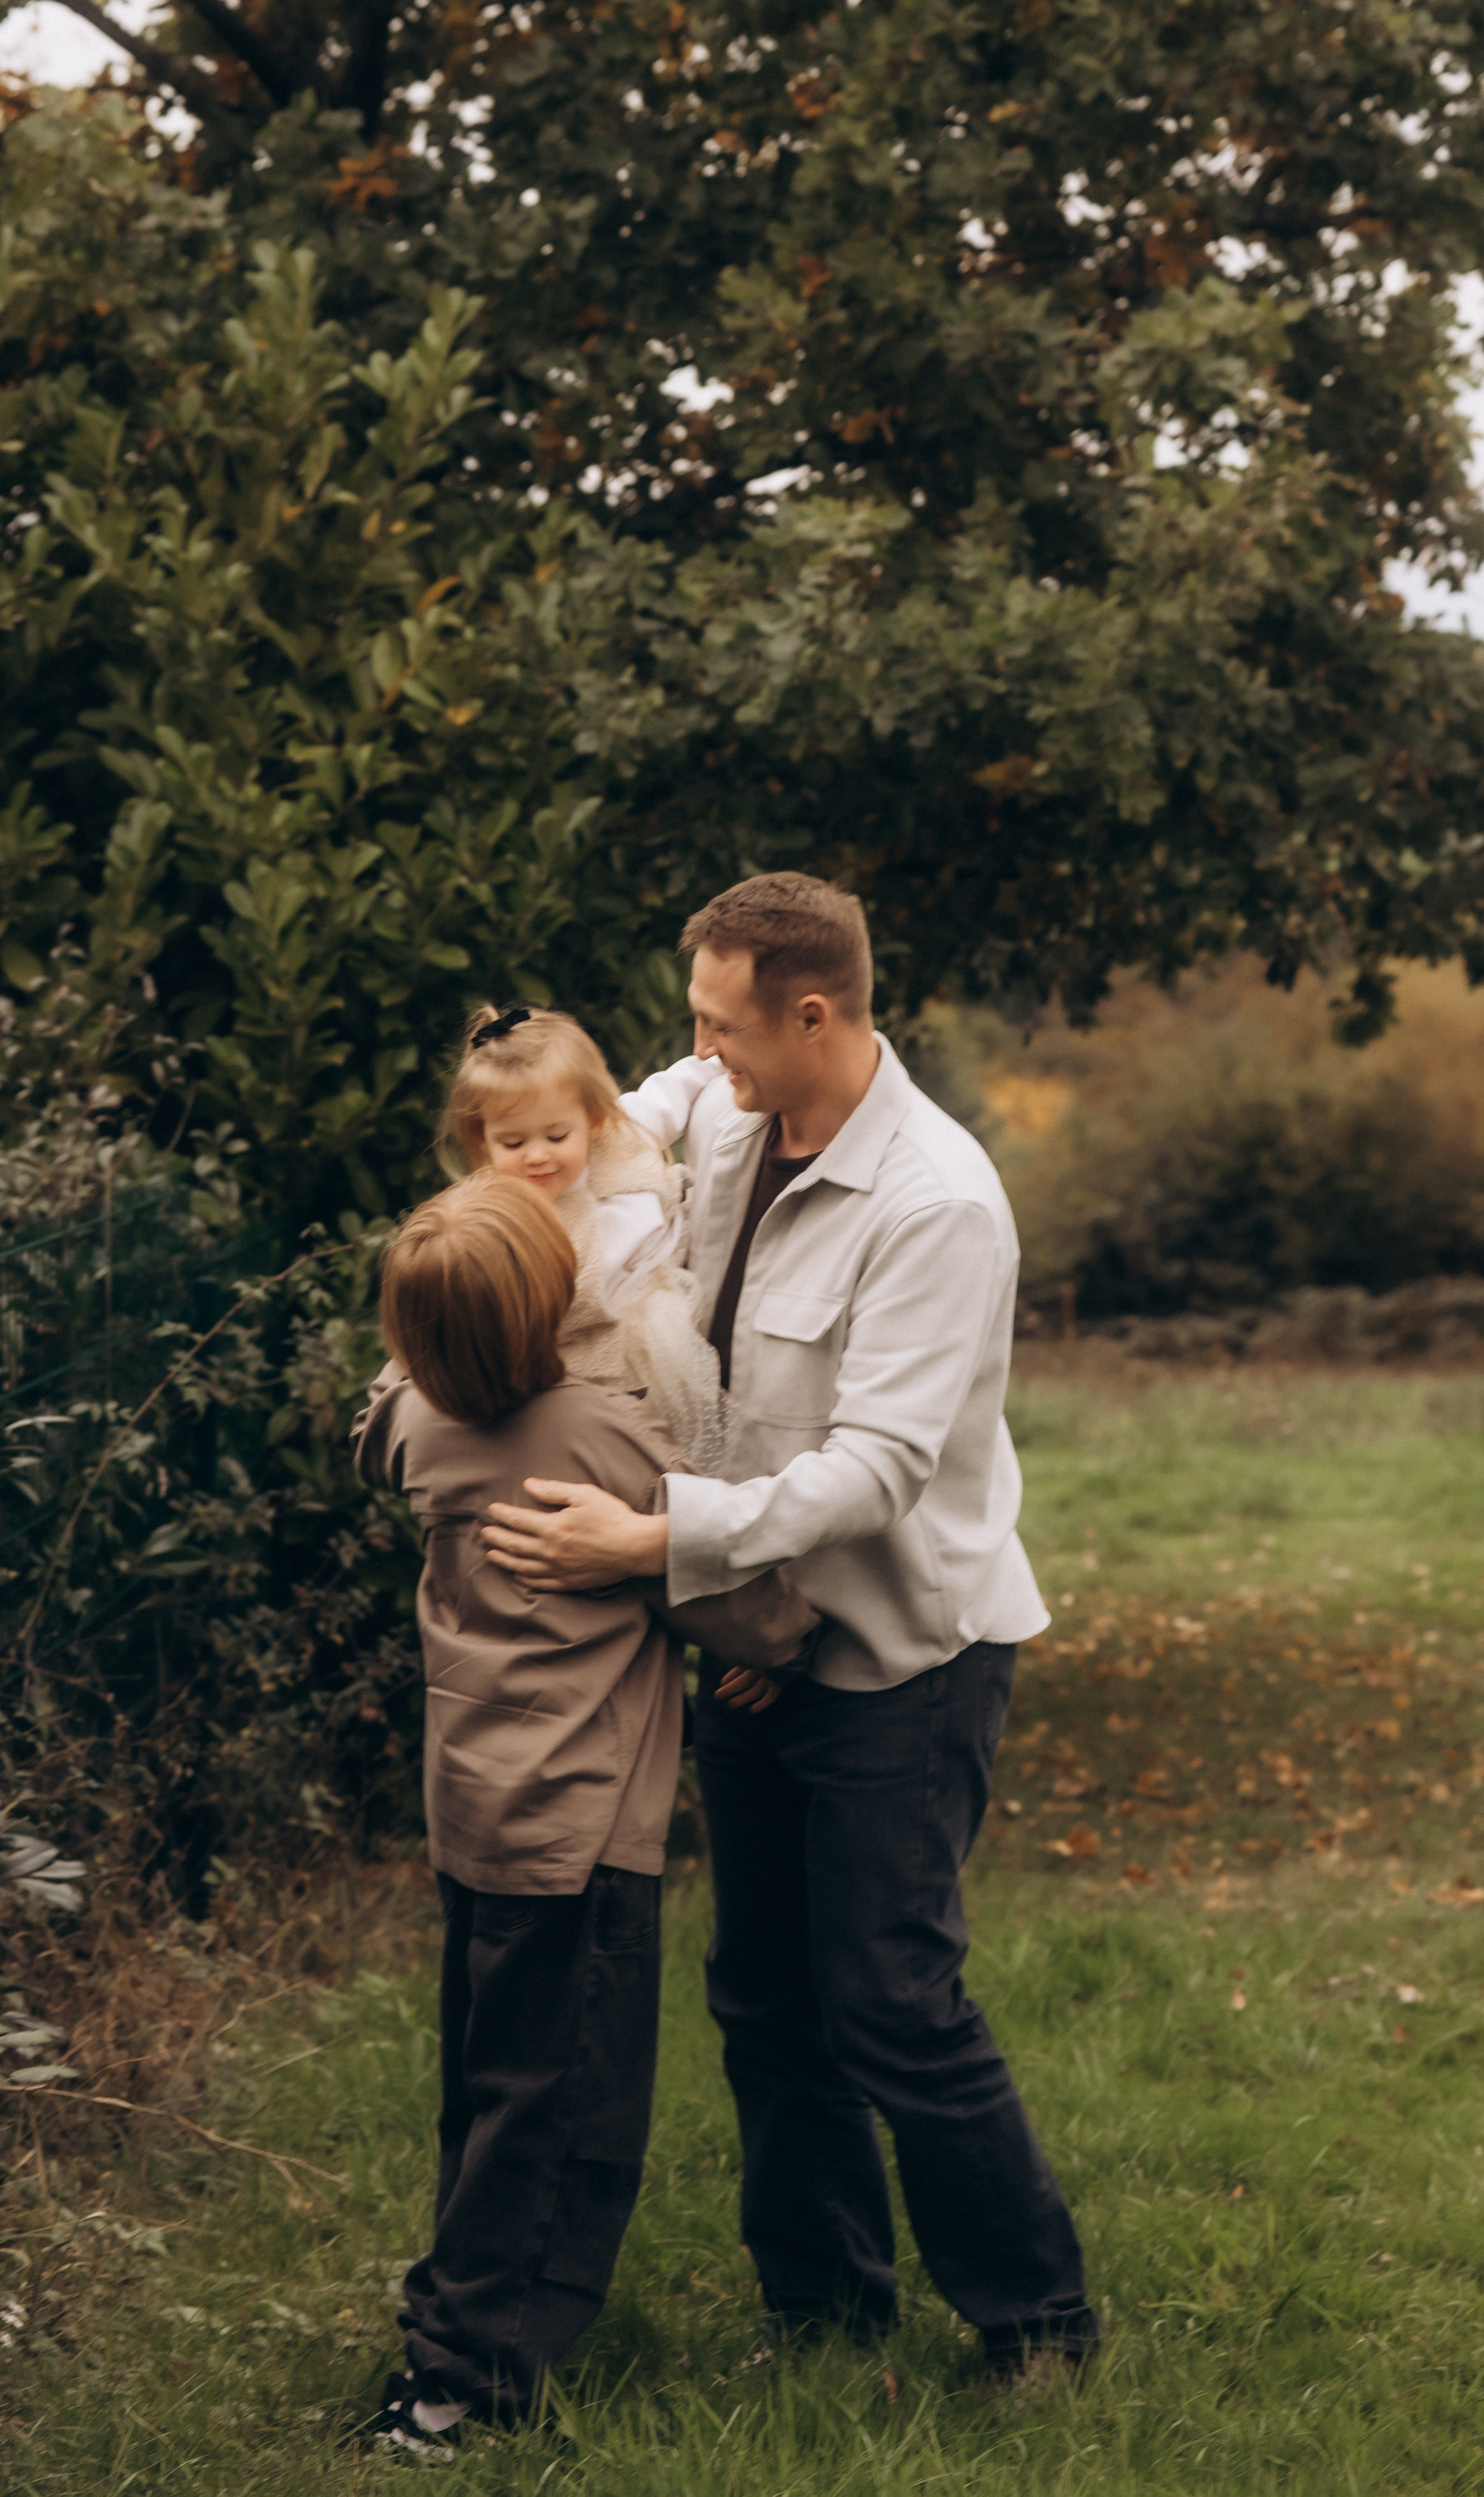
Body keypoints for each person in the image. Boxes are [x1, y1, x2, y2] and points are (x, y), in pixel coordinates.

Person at [479, 872, 1098, 2381]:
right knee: (762, 1996)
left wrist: (658, 1543)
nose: (693, 1053)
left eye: (716, 1022)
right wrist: (518, 1140)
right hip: (764, 1635)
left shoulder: (935, 1204)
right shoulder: (728, 1109)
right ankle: (823, 2317)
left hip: (900, 1655)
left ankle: (1038, 2326)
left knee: (889, 2000)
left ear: (808, 1013)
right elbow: (604, 1120)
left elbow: (877, 1469)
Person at [352, 1171, 813, 2459]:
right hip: (584, 1829)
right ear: (553, 1307)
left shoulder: (418, 1424)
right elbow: (721, 1585)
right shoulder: (598, 1435)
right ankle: (461, 2386)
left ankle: (450, 2317)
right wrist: (793, 1637)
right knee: (562, 2114)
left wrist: (409, 1368)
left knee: (489, 2085)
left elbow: (376, 1419)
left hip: (476, 1819)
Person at [440, 1001, 726, 1469]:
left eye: (556, 1137)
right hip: (602, 1357)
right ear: (482, 1138)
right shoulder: (502, 1220)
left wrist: (719, 1064)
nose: (537, 1156)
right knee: (624, 1452)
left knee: (691, 1443)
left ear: (592, 1118)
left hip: (673, 1304)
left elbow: (672, 1091)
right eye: (513, 1143)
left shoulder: (620, 1133)